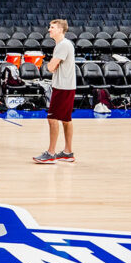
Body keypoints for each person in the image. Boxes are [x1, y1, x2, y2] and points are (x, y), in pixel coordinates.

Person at [34, 19, 76, 164]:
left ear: (60, 29)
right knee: (66, 119)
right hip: (67, 86)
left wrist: (51, 65)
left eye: (52, 27)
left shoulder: (62, 45)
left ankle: (51, 153)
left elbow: (50, 67)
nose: (49, 30)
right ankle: (68, 152)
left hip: (63, 87)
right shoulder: (65, 44)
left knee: (52, 118)